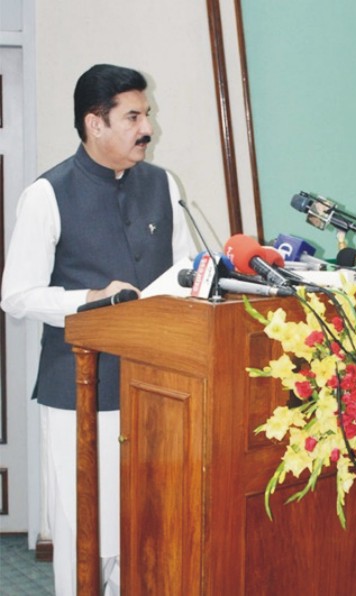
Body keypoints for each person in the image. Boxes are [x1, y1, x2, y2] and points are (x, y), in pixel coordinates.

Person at [0, 64, 191, 595]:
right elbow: (15, 295)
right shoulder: (47, 194)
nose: (146, 127)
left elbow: (183, 273)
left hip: (155, 387)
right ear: (95, 123)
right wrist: (89, 300)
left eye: (146, 114)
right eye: (132, 116)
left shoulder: (163, 184)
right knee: (87, 537)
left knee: (145, 533)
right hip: (78, 394)